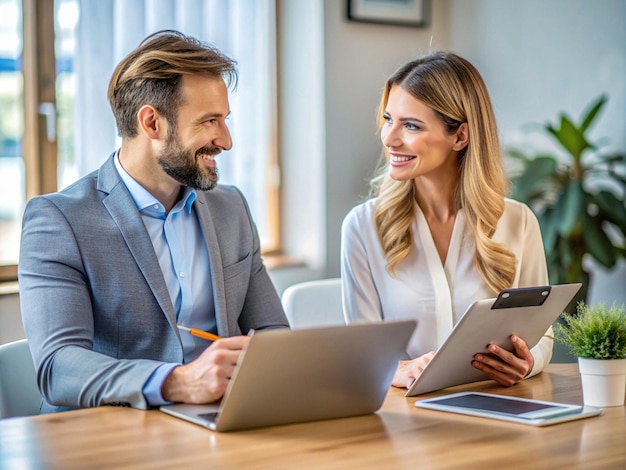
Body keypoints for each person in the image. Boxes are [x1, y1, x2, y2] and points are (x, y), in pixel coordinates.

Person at [18, 30, 289, 413]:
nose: (226, 141)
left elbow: (272, 332)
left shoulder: (231, 208)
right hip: (107, 435)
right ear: (152, 124)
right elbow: (58, 368)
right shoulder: (59, 221)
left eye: (225, 120)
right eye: (210, 121)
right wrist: (178, 382)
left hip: (221, 424)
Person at [340, 51, 552, 390]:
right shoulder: (362, 227)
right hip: (406, 419)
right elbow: (362, 351)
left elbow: (541, 336)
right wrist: (397, 371)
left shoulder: (518, 222)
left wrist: (527, 361)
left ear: (460, 136)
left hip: (496, 406)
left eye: (411, 126)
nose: (389, 138)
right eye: (388, 119)